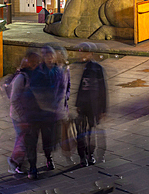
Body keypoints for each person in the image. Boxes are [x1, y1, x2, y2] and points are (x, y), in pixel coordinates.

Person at [22, 45, 66, 179]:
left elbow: (61, 89)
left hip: (49, 113)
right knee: (32, 142)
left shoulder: (58, 71)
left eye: (51, 55)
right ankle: (33, 167)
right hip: (35, 113)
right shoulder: (37, 71)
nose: (49, 58)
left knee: (48, 139)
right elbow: (32, 90)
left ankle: (49, 158)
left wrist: (55, 104)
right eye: (47, 56)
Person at [7, 51, 40, 174]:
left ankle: (19, 163)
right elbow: (14, 99)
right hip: (19, 116)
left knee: (24, 139)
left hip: (28, 114)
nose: (36, 65)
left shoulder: (32, 75)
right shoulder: (21, 77)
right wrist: (22, 117)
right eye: (34, 62)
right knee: (22, 140)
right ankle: (14, 162)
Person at [74, 43, 107, 166]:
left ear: (91, 54)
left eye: (85, 52)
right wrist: (78, 104)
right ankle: (83, 156)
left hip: (94, 105)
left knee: (91, 132)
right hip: (84, 105)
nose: (82, 55)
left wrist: (103, 109)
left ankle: (89, 154)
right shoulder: (85, 67)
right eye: (81, 52)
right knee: (82, 132)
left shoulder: (96, 68)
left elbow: (102, 89)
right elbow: (81, 87)